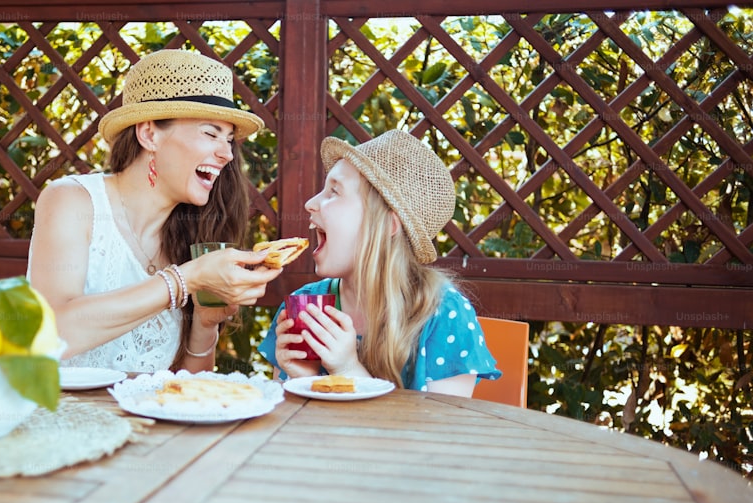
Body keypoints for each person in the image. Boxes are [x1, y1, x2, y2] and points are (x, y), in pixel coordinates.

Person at [28, 49, 281, 372]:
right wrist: (186, 279)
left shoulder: (192, 234)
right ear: (149, 134)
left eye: (229, 139)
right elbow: (51, 334)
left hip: (150, 424)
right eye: (210, 133)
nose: (227, 154)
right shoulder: (72, 201)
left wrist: (204, 326)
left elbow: (184, 390)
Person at [258, 130, 501, 397]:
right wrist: (304, 380)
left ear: (387, 225)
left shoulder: (442, 315)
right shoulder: (305, 304)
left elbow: (439, 434)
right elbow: (288, 431)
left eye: (334, 192)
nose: (310, 203)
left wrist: (348, 371)